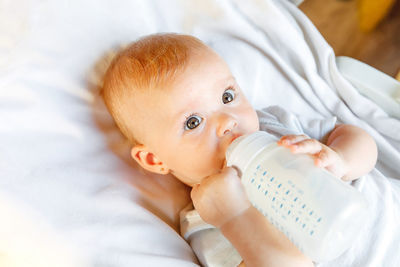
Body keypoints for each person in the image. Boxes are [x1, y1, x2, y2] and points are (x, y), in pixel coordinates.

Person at [101, 33, 377, 267]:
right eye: (193, 122)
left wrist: (342, 160)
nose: (227, 121)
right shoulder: (210, 220)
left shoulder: (276, 130)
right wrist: (237, 217)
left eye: (227, 96)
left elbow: (359, 140)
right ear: (154, 159)